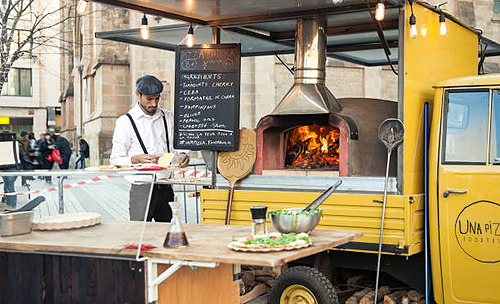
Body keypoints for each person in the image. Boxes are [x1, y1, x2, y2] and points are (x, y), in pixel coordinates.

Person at [110, 75, 189, 222]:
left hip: (166, 187)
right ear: (137, 95)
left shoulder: (168, 117)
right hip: (142, 188)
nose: (154, 103)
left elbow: (179, 146)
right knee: (139, 234)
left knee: (168, 234)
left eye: (157, 98)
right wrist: (135, 159)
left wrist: (183, 154)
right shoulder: (125, 122)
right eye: (149, 99)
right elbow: (115, 159)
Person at [0, 131, 19, 210]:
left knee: (8, 186)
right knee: (10, 187)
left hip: (3, 167)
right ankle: (11, 206)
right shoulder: (14, 144)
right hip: (12, 167)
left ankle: (10, 206)